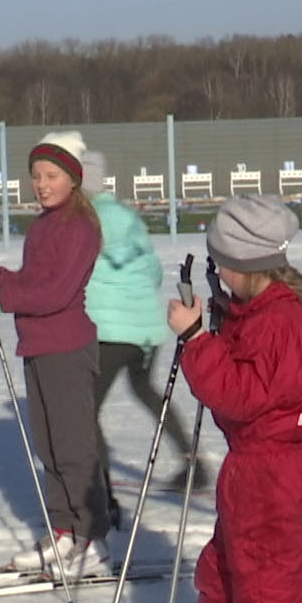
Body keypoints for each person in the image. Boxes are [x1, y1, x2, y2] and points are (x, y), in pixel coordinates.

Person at [125, 193, 302, 603]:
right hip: (256, 471)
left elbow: (240, 395)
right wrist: (214, 324)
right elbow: (246, 375)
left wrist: (196, 342)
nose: (215, 269)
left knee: (271, 595)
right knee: (223, 578)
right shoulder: (266, 309)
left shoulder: (279, 320)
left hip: (271, 473)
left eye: (220, 262)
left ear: (247, 263)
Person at [0, 131, 105, 578]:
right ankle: (63, 532)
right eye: (36, 176)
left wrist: (1, 293)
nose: (42, 184)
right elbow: (32, 280)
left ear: (73, 180)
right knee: (49, 446)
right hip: (39, 346)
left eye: (52, 175)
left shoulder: (80, 227)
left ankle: (92, 539)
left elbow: (55, 292)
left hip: (67, 346)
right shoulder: (44, 224)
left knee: (74, 448)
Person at [77, 150, 205, 523]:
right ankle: (192, 461)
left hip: (112, 330)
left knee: (85, 411)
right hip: (148, 328)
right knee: (146, 390)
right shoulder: (125, 216)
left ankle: (102, 500)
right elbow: (149, 270)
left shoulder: (85, 220)